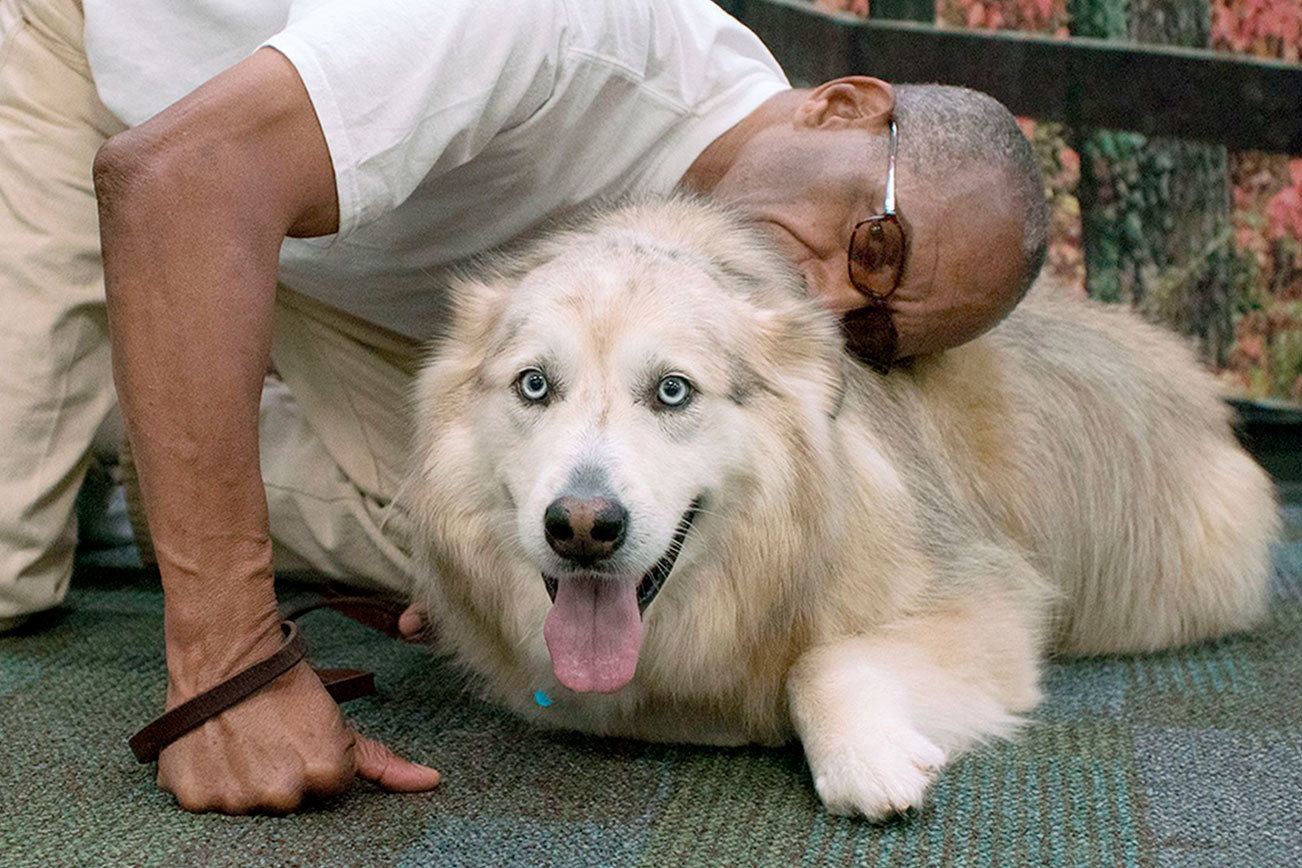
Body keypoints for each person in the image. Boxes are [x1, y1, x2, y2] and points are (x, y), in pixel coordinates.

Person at [0, 0, 1048, 813]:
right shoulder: (557, 25)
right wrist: (224, 667)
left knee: (471, 529)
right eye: (874, 244)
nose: (825, 302)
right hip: (144, 101)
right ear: (843, 105)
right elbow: (179, 173)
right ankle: (157, 353)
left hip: (358, 264)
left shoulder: (747, 267)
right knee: (8, 562)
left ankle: (154, 405)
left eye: (869, 330)